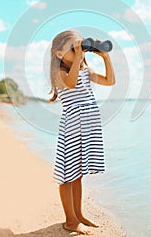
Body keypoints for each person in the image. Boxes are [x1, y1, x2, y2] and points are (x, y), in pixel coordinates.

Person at [48, 29, 115, 235]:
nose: (79, 52)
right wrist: (79, 55)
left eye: (81, 47)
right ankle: (70, 220)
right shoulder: (60, 73)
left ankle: (79, 215)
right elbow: (71, 83)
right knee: (67, 175)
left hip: (87, 127)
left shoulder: (86, 72)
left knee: (78, 174)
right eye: (73, 48)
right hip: (72, 127)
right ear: (59, 54)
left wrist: (105, 56)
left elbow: (110, 80)